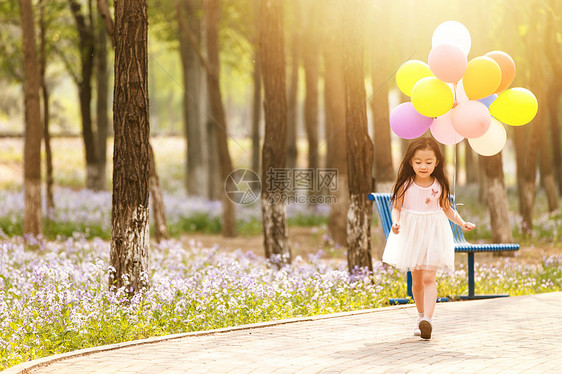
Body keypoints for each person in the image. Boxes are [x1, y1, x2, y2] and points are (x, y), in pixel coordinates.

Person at [382, 137, 475, 340]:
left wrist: (462, 223)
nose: (423, 166)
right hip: (412, 234)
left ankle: (429, 320)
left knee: (428, 278)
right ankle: (420, 316)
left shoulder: (439, 184)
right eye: (418, 162)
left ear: (437, 162)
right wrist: (395, 223)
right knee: (416, 281)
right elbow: (396, 208)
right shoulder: (405, 185)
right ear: (410, 162)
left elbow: (447, 209)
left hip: (433, 233)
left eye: (428, 162)